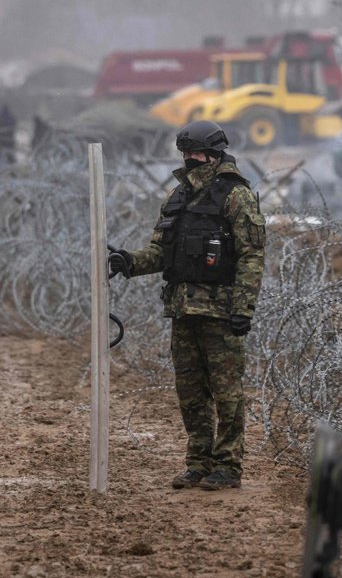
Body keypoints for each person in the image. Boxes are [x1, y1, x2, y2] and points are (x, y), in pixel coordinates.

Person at [109, 120, 266, 490]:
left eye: (196, 153)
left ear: (214, 154)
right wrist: (130, 262)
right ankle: (198, 461)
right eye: (185, 154)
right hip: (183, 310)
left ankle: (228, 466)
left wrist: (243, 308)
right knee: (191, 394)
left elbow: (251, 256)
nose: (190, 160)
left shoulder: (236, 195)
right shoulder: (177, 197)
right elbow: (162, 253)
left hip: (221, 312)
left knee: (226, 394)